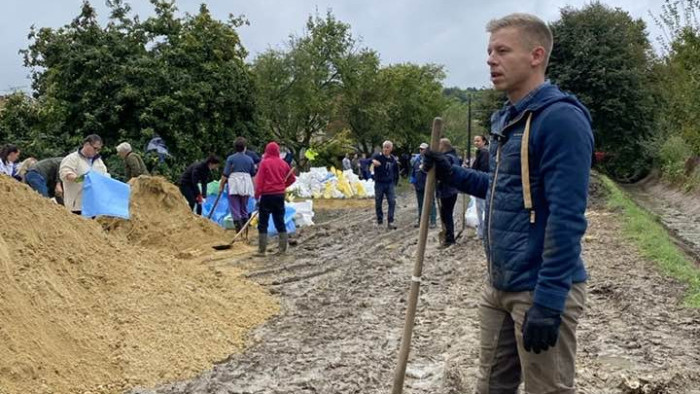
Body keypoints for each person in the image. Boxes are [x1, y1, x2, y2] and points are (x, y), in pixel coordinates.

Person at [423, 13, 593, 393]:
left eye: (502, 50)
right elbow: (505, 189)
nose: (490, 60)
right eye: (488, 52)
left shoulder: (560, 120)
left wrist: (549, 301)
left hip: (540, 289)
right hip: (499, 284)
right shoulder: (509, 119)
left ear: (536, 55)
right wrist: (451, 172)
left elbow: (567, 218)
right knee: (490, 386)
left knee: (546, 390)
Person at [254, 141, 296, 256]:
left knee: (263, 222)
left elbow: (260, 181)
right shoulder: (283, 164)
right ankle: (282, 249)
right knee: (279, 221)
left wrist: (257, 195)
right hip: (279, 195)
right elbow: (292, 179)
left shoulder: (264, 163)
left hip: (267, 196)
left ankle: (262, 250)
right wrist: (283, 186)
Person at [59, 134, 109, 214]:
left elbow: (105, 176)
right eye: (95, 148)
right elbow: (65, 173)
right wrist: (79, 178)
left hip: (93, 206)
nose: (96, 151)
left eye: (99, 150)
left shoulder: (99, 162)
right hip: (76, 206)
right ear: (87, 144)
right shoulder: (72, 158)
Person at [219, 137, 256, 232]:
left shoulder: (231, 159)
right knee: (244, 208)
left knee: (235, 208)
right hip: (246, 184)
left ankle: (238, 231)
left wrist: (221, 186)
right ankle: (245, 232)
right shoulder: (249, 160)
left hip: (234, 184)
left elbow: (225, 174)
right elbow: (253, 176)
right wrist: (255, 188)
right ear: (245, 148)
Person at [436, 138, 461, 247]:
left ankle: (450, 238)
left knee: (446, 214)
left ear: (443, 146)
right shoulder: (454, 157)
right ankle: (448, 235)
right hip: (452, 189)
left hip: (448, 190)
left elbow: (444, 171)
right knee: (445, 213)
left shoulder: (447, 158)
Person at [372, 140, 400, 229]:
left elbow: (396, 171)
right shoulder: (377, 156)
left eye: (388, 147)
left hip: (389, 183)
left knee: (392, 202)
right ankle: (380, 221)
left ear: (391, 149)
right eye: (385, 147)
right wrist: (373, 162)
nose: (386, 149)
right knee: (378, 202)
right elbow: (368, 161)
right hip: (379, 183)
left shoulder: (392, 159)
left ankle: (390, 221)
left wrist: (395, 181)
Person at [410, 143, 437, 229]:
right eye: (420, 149)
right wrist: (412, 182)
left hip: (428, 185)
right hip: (419, 185)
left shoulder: (430, 160)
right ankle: (421, 221)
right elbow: (413, 172)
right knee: (420, 204)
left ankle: (433, 221)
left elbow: (433, 173)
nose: (421, 151)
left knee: (431, 204)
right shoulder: (416, 160)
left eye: (423, 149)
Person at [471, 135, 490, 239]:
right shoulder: (481, 153)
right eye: (475, 141)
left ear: (484, 141)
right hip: (481, 184)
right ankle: (482, 231)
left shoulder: (484, 153)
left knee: (481, 209)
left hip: (481, 185)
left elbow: (483, 169)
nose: (476, 143)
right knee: (480, 209)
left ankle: (482, 233)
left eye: (478, 141)